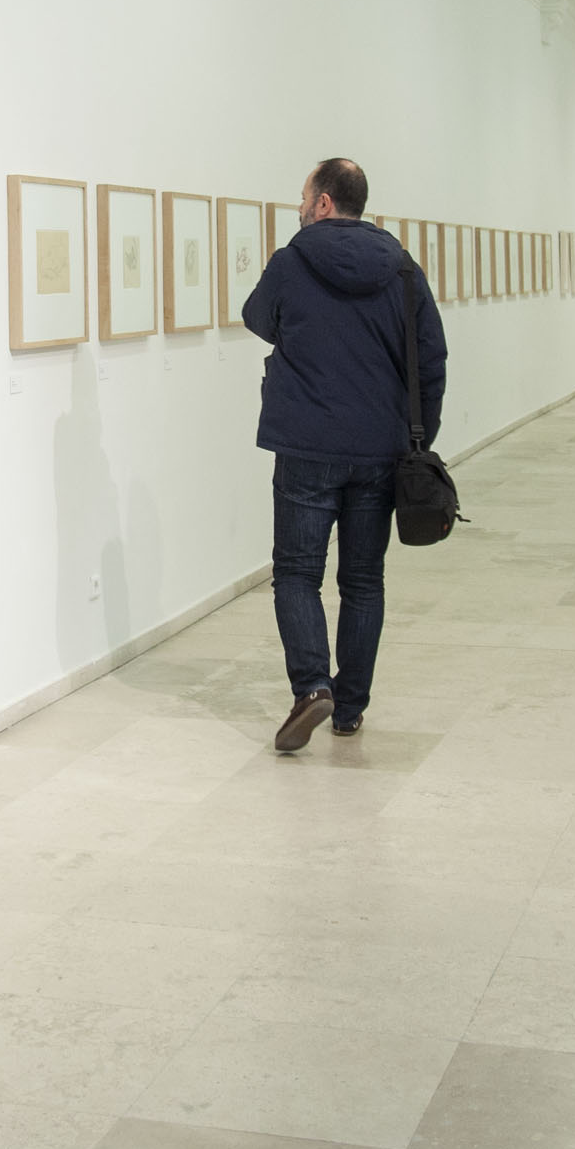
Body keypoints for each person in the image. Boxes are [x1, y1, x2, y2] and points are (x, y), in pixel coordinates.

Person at [241, 158, 445, 753]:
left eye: (303, 197)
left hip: (307, 445)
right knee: (362, 579)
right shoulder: (402, 269)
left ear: (324, 202)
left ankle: (312, 686)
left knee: (297, 572)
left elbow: (257, 319)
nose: (300, 207)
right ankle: (350, 707)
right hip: (380, 449)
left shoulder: (291, 261)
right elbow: (430, 358)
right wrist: (418, 439)